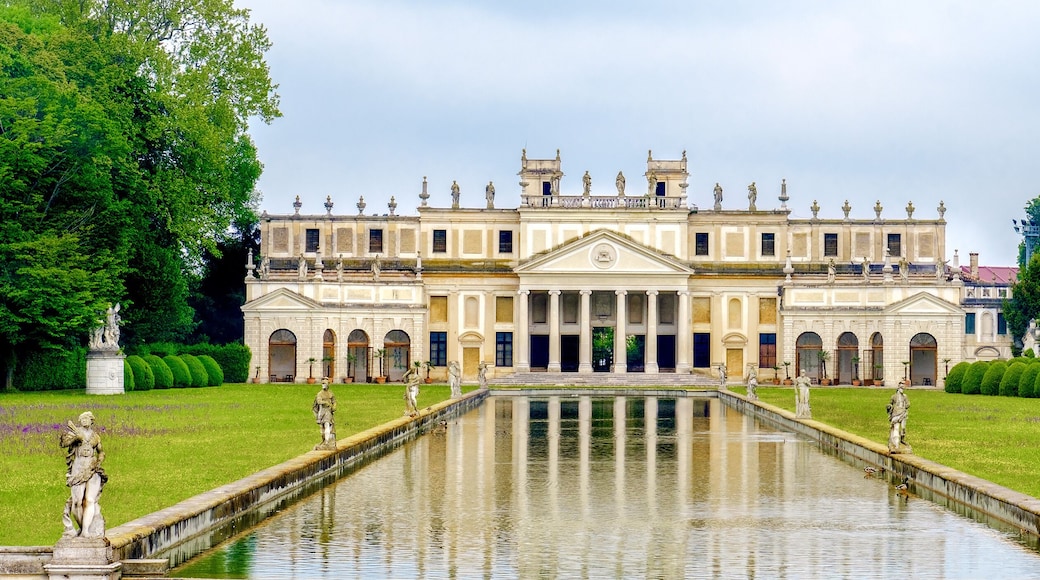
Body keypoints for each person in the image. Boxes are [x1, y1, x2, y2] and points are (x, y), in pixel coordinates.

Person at [60, 411, 108, 538]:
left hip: (92, 467)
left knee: (90, 500)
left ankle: (86, 530)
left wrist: (99, 460)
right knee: (77, 502)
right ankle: (81, 528)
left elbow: (101, 451)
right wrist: (76, 438)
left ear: (92, 421)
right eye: (82, 419)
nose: (84, 421)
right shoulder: (75, 432)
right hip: (78, 467)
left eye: (87, 419)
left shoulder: (95, 436)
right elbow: (63, 443)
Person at [312, 378, 337, 450]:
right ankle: (324, 441)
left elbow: (334, 401)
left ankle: (327, 442)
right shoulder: (320, 394)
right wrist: (326, 403)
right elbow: (319, 401)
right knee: (322, 428)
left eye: (325, 383)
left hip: (328, 412)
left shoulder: (330, 393)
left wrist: (334, 406)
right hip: (322, 411)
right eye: (322, 383)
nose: (323, 385)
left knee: (327, 425)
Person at [887, 382, 910, 452]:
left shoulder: (905, 396)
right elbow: (890, 404)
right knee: (896, 428)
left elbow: (908, 404)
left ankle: (902, 440)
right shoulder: (894, 396)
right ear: (898, 388)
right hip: (896, 413)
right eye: (901, 388)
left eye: (903, 388)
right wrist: (889, 407)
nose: (902, 389)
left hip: (903, 413)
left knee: (903, 428)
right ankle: (896, 445)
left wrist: (905, 407)